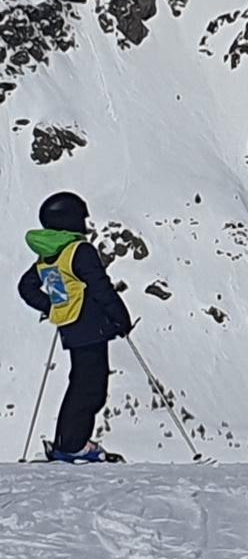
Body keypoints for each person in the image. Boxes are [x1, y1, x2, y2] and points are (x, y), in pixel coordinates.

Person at [17, 192, 133, 463]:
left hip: (70, 325)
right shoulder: (79, 251)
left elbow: (26, 287)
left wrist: (52, 305)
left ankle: (69, 442)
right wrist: (121, 319)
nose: (85, 222)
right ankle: (73, 446)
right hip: (90, 325)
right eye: (81, 217)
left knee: (81, 383)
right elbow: (101, 288)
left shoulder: (50, 255)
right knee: (91, 388)